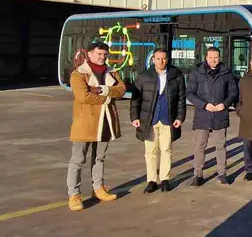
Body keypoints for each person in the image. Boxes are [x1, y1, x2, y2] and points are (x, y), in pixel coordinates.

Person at [66, 41, 126, 212]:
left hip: (105, 122)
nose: (102, 57)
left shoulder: (112, 72)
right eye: (99, 54)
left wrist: (103, 90)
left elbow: (121, 90)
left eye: (105, 55)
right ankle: (74, 194)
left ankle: (98, 188)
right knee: (78, 160)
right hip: (85, 122)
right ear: (90, 54)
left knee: (99, 157)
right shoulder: (78, 74)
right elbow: (83, 96)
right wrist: (108, 97)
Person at [128, 48, 186, 194]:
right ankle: (152, 180)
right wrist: (134, 117)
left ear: (168, 59)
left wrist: (180, 117)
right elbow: (136, 99)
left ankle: (165, 179)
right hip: (149, 120)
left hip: (168, 119)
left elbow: (181, 98)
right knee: (150, 151)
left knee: (166, 150)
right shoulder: (143, 76)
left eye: (164, 59)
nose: (161, 61)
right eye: (158, 59)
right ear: (153, 59)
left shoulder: (176, 75)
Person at [186, 47, 239, 186]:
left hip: (220, 114)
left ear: (219, 57)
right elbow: (190, 93)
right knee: (199, 146)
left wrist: (225, 104)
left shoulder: (226, 73)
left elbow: (233, 92)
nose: (213, 60)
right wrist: (204, 105)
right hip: (202, 115)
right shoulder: (197, 73)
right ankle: (197, 175)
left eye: (216, 57)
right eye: (210, 57)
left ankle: (222, 174)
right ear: (206, 57)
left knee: (220, 146)